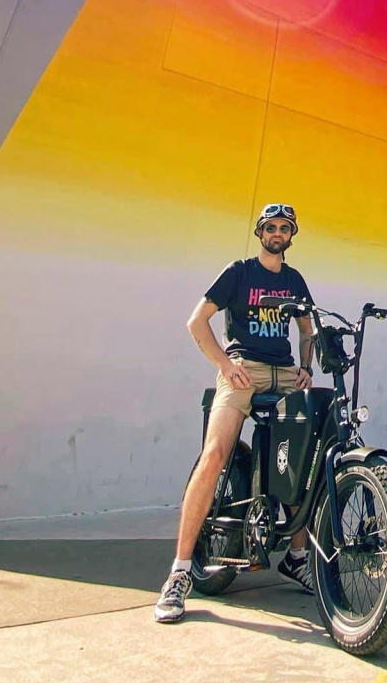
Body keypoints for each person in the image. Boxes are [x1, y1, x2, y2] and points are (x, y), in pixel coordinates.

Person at [154, 203, 318, 623]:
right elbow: (197, 321)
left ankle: (297, 556)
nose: (277, 232)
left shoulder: (295, 280)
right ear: (260, 232)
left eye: (285, 227)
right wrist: (224, 365)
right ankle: (179, 572)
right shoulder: (239, 272)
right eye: (271, 227)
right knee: (213, 456)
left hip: (283, 373)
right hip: (244, 370)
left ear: (291, 235)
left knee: (307, 456)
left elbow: (306, 329)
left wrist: (306, 367)